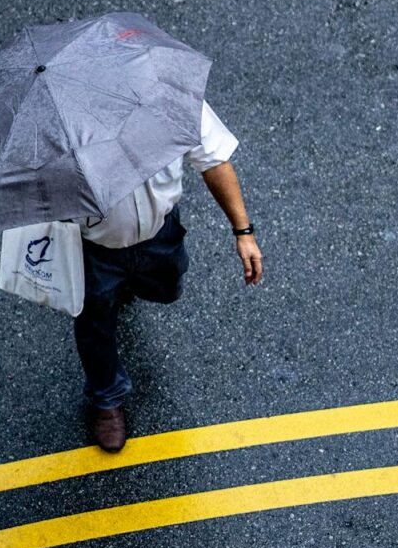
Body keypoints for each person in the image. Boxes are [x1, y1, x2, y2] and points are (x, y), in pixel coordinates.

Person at [72, 99, 262, 452]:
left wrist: (243, 232)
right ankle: (106, 398)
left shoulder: (171, 96)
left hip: (159, 233)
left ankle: (126, 287)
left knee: (167, 287)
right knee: (95, 317)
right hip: (94, 248)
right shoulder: (63, 120)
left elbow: (213, 159)